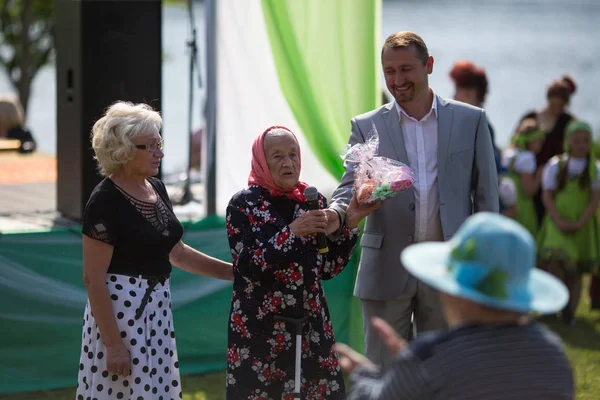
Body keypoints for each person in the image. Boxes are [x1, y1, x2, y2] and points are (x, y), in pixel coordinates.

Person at [325, 31, 499, 368]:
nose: (397, 80)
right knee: (384, 375)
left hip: (448, 269)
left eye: (406, 69)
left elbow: (486, 198)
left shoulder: (471, 120)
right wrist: (338, 214)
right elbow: (348, 187)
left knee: (445, 372)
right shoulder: (365, 125)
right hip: (386, 269)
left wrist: (485, 263)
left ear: (428, 65)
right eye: (389, 71)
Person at [77, 101, 233, 400]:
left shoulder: (156, 188)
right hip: (120, 315)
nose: (160, 152)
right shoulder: (104, 201)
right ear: (123, 149)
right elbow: (93, 280)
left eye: (159, 144)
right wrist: (113, 344)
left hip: (156, 310)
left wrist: (233, 273)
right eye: (150, 146)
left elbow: (178, 253)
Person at [334, 212, 574, 400]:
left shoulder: (433, 358)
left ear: (460, 295)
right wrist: (411, 370)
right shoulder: (553, 353)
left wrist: (365, 376)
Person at [225, 126, 378, 400]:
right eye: (278, 156)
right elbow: (248, 267)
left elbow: (328, 268)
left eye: (293, 154)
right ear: (262, 160)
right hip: (260, 331)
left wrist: (351, 222)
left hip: (310, 327)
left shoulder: (313, 201)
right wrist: (292, 233)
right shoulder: (243, 205)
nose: (288, 162)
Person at [537, 120, 600, 325]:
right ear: (568, 142)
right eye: (577, 140)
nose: (581, 145)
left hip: (582, 226)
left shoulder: (594, 169)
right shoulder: (556, 165)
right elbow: (547, 196)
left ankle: (569, 313)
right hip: (557, 223)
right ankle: (551, 306)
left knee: (576, 272)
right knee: (555, 263)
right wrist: (558, 220)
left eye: (585, 141)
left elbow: (594, 199)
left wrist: (581, 221)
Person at [520, 75, 577, 224]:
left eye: (560, 106)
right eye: (553, 105)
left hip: (556, 182)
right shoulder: (531, 117)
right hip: (530, 179)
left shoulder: (568, 122)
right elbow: (517, 143)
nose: (556, 110)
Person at [449, 60, 501, 174]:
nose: (453, 96)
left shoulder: (478, 125)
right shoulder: (478, 121)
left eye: (457, 90)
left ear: (470, 93)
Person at [500, 118, 545, 236]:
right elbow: (527, 191)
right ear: (531, 140)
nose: (541, 145)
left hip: (506, 203)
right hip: (521, 207)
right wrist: (539, 176)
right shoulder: (527, 157)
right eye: (539, 141)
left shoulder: (509, 152)